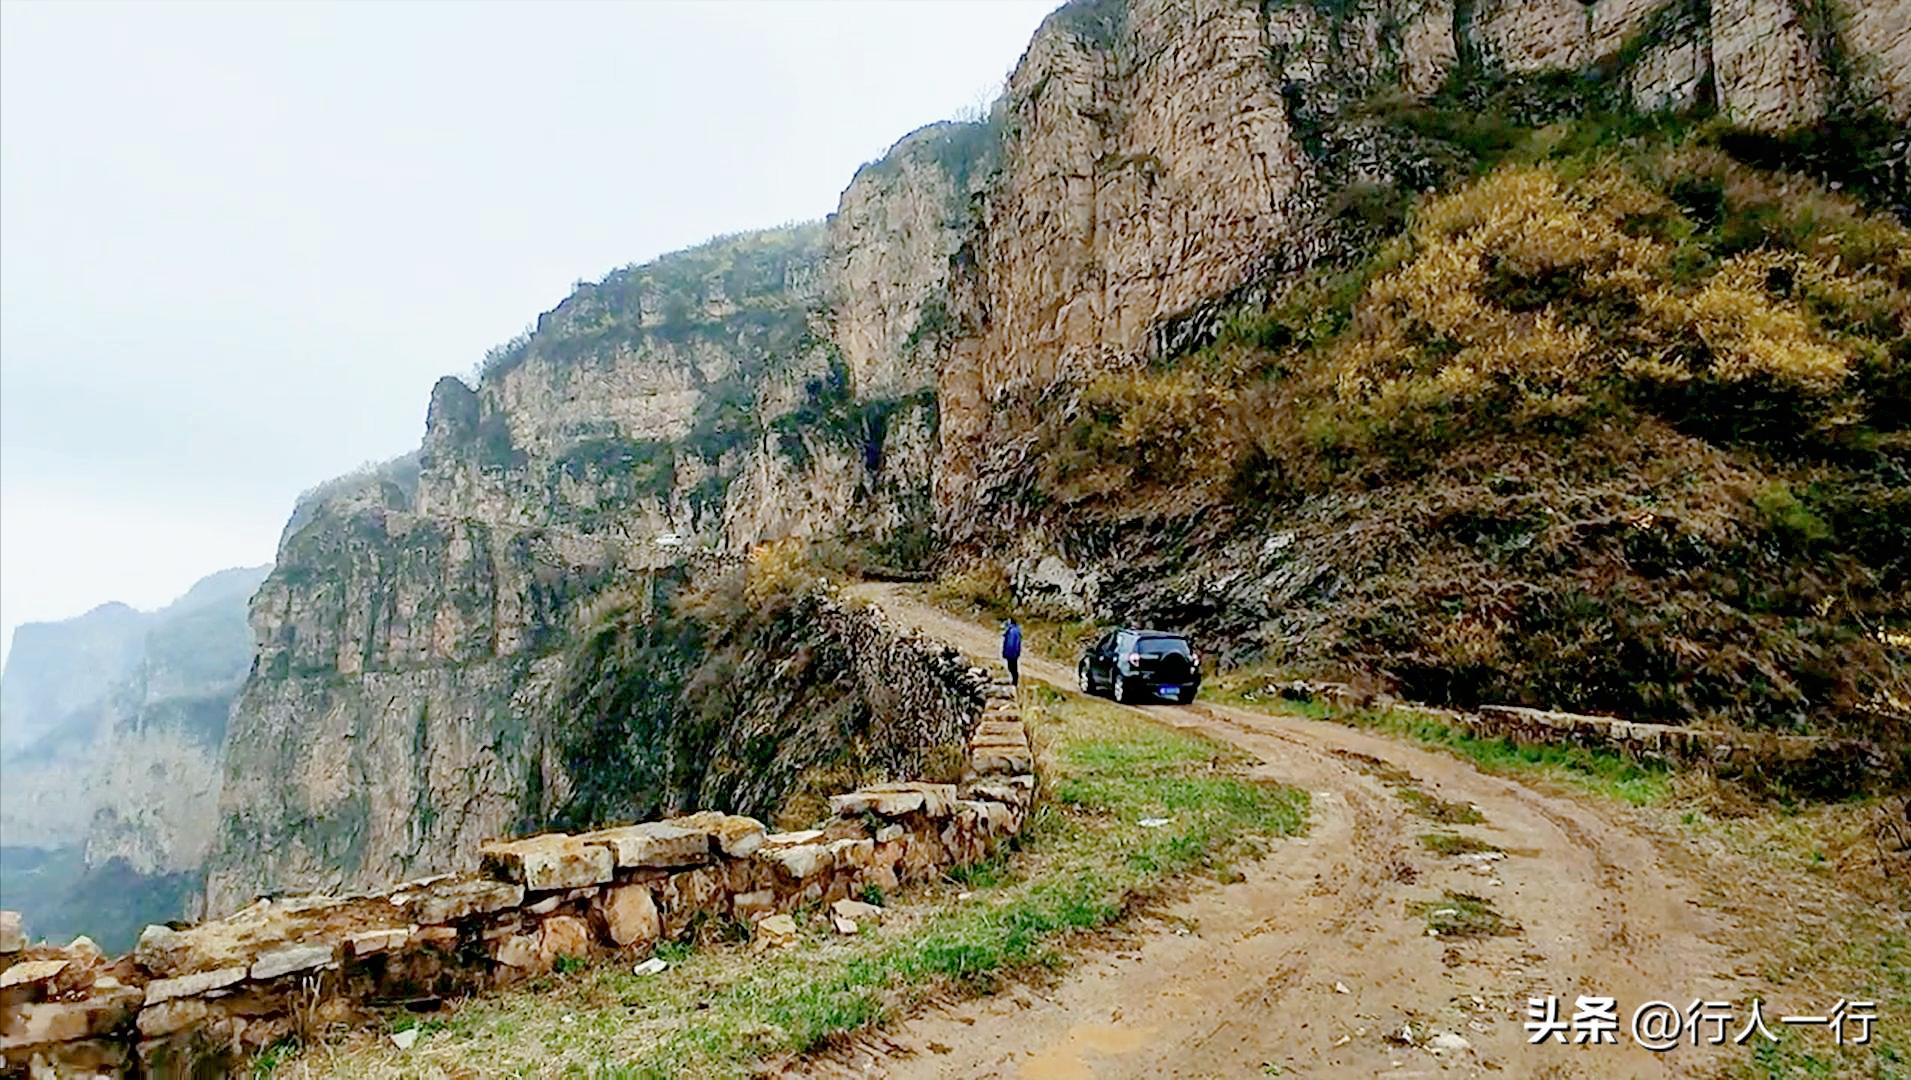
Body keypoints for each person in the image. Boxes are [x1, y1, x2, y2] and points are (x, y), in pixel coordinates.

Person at [1002, 617, 1023, 688]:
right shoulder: (1015, 630)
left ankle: (1015, 682)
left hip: (1011, 653)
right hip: (1013, 653)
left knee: (1012, 667)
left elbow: (1010, 644)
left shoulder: (1012, 631)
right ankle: (1014, 682)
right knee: (1012, 667)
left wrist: (1006, 653)